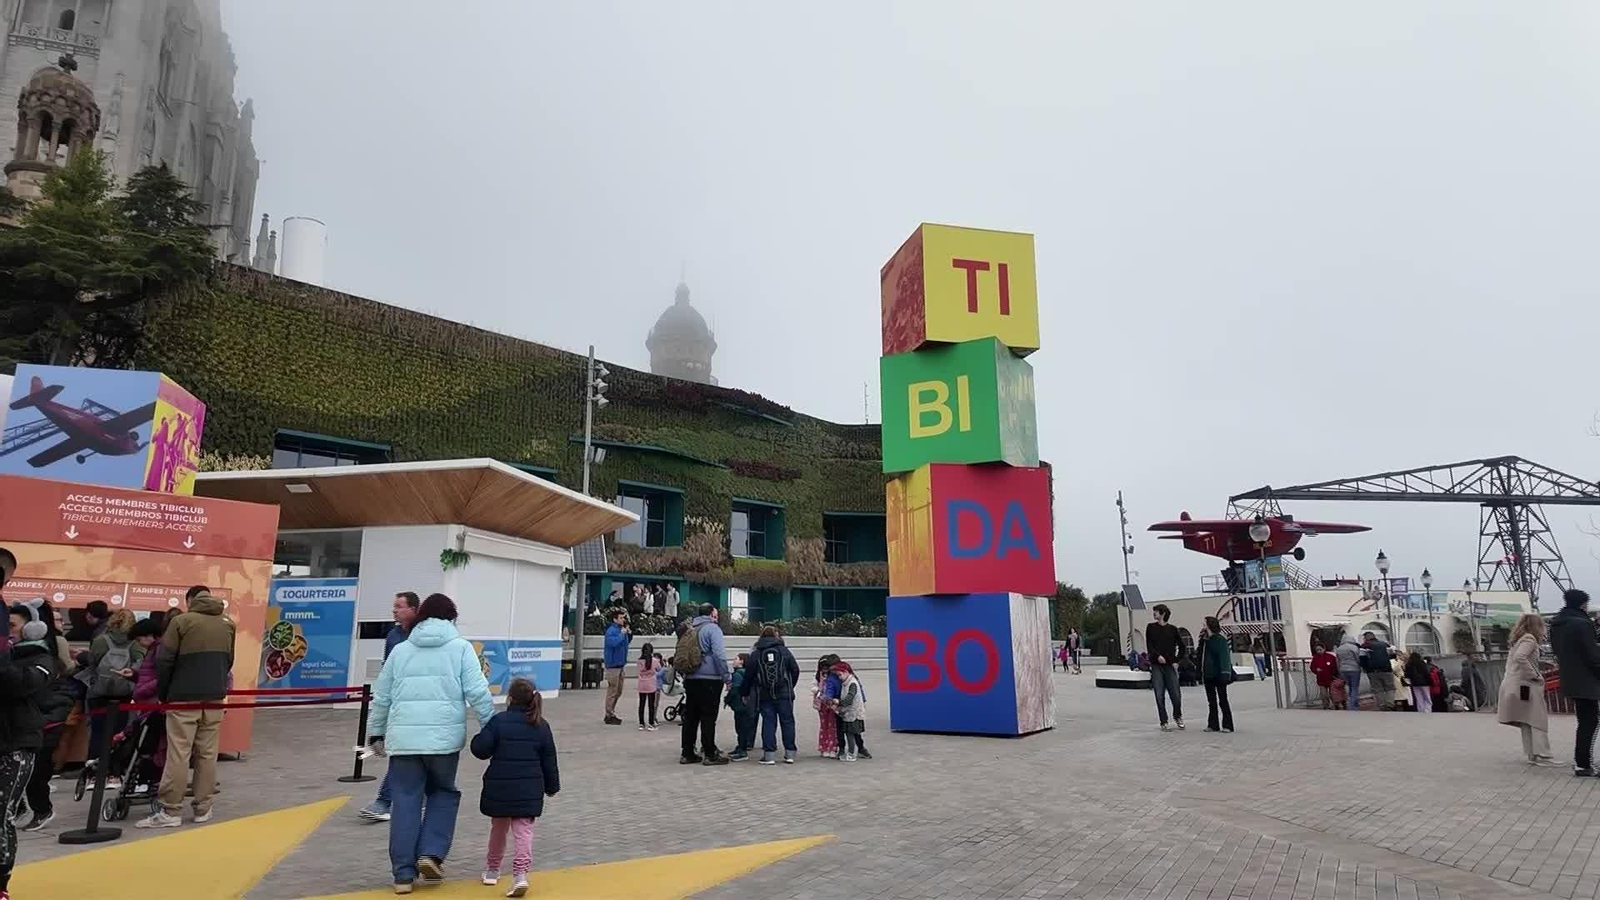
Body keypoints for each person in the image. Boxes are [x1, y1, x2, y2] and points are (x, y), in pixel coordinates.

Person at [366, 593, 496, 894]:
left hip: (405, 742)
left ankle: (402, 875)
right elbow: (478, 693)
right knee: (443, 793)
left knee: (405, 801)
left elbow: (382, 697)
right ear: (451, 618)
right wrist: (491, 728)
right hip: (443, 743)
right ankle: (430, 853)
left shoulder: (401, 650)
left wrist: (376, 734)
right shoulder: (461, 648)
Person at [137, 586, 235, 830]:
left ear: (190, 601)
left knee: (178, 753)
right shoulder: (227, 623)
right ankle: (204, 808)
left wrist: (164, 694)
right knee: (207, 753)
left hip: (183, 697)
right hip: (214, 697)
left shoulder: (181, 622)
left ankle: (171, 810)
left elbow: (164, 660)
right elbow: (229, 660)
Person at [470, 678, 559, 899]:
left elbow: (481, 750)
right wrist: (552, 786)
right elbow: (550, 760)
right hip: (529, 789)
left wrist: (477, 738)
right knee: (523, 831)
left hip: (500, 787)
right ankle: (520, 874)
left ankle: (492, 870)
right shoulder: (541, 725)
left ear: (510, 698)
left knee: (498, 828)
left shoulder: (499, 721)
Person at [0, 610, 49, 900]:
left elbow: (19, 683)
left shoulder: (39, 660)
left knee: (1, 814)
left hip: (15, 744)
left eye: (12, 626)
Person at [360, 592, 421, 822]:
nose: (394, 610)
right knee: (405, 754)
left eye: (399, 606)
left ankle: (385, 801)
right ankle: (394, 800)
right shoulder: (393, 636)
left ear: (414, 609)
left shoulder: (423, 635)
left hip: (420, 705)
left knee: (405, 755)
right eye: (393, 606)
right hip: (399, 705)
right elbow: (387, 672)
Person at [8, 614, 71, 833]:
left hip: (43, 723)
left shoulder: (43, 656)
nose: (7, 629)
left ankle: (41, 809)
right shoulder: (12, 653)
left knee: (36, 773)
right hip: (22, 726)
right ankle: (22, 806)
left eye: (12, 625)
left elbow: (48, 688)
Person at [1499, 613, 1560, 767]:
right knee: (1537, 718)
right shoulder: (1530, 639)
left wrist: (1540, 663)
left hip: (1516, 684)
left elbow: (1521, 657)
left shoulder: (1519, 639)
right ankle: (1543, 755)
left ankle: (1532, 755)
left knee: (1528, 719)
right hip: (1526, 684)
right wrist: (1534, 675)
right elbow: (1520, 657)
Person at [1550, 589, 1600, 777]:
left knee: (1585, 720)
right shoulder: (1582, 623)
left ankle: (1582, 763)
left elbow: (1559, 650)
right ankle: (1583, 764)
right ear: (1582, 604)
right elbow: (1592, 655)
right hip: (1588, 679)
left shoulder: (1556, 624)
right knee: (1591, 721)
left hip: (1570, 677)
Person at [676, 603, 731, 766]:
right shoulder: (713, 629)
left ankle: (687, 752)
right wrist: (726, 677)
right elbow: (719, 655)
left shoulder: (690, 628)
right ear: (711, 614)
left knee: (691, 717)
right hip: (710, 679)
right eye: (716, 614)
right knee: (708, 717)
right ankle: (709, 753)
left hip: (691, 677)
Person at [86, 608, 141, 763]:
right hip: (124, 693)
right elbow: (141, 663)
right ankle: (113, 770)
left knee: (97, 731)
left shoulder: (100, 640)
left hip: (99, 692)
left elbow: (92, 663)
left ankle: (94, 769)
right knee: (119, 731)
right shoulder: (135, 643)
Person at [741, 626, 800, 765]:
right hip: (784, 693)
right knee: (787, 721)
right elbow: (795, 670)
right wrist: (790, 686)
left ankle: (769, 755)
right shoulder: (784, 650)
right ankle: (789, 753)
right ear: (776, 635)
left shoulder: (757, 653)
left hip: (764, 693)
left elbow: (748, 675)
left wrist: (745, 693)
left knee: (768, 722)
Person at [1145, 604, 1184, 731]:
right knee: (1159, 694)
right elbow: (1150, 646)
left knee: (1176, 694)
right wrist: (1157, 656)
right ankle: (1163, 721)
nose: (1154, 614)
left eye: (1156, 612)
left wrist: (1177, 661)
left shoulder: (1173, 629)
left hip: (1169, 665)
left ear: (1162, 613)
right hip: (1157, 665)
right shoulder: (1150, 627)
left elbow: (1182, 647)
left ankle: (1177, 715)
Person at [1198, 617, 1234, 733]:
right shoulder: (1204, 640)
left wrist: (1225, 673)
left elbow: (1224, 657)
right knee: (1211, 701)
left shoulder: (1220, 639)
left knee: (1223, 700)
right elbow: (1200, 657)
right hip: (1208, 674)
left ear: (1209, 625)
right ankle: (1213, 724)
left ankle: (1228, 725)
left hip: (1218, 674)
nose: (1202, 624)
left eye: (1204, 623)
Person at [829, 659, 869, 761]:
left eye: (839, 675)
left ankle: (851, 754)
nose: (839, 678)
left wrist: (838, 702)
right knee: (852, 733)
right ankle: (855, 751)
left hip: (853, 714)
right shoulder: (846, 682)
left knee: (850, 734)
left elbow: (849, 698)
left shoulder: (852, 683)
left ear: (846, 672)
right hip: (848, 713)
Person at [602, 610, 630, 726]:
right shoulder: (611, 631)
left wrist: (628, 633)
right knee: (612, 691)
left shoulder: (620, 630)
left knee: (618, 691)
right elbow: (613, 643)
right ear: (615, 619)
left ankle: (611, 711)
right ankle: (609, 714)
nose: (623, 619)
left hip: (620, 664)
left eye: (624, 618)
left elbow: (625, 643)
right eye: (621, 618)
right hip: (613, 665)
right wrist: (622, 634)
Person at [726, 653, 755, 760]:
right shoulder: (747, 673)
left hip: (740, 705)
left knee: (740, 728)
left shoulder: (738, 674)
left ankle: (742, 750)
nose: (733, 661)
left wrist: (727, 699)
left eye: (736, 659)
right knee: (743, 727)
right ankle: (740, 747)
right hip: (746, 705)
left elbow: (735, 690)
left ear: (742, 661)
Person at [813, 655, 840, 759]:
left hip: (831, 703)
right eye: (822, 667)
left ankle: (832, 747)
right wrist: (815, 689)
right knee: (824, 726)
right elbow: (814, 684)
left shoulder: (833, 676)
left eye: (826, 667)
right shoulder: (818, 676)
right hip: (821, 704)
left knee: (832, 726)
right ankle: (823, 747)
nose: (824, 669)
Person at [1361, 632, 1396, 710]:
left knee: (1377, 688)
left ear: (1366, 637)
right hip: (1387, 670)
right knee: (1390, 687)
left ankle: (1382, 705)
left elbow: (1362, 659)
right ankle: (1390, 704)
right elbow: (1393, 655)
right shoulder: (1385, 644)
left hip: (1372, 671)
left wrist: (1365, 669)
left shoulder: (1364, 646)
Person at [1335, 633, 1363, 710]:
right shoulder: (1354, 648)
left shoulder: (1339, 648)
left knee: (1348, 687)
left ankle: (1351, 703)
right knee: (1354, 687)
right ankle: (1352, 705)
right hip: (1354, 669)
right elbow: (1357, 658)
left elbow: (1337, 660)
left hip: (1343, 670)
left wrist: (1339, 670)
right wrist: (1360, 666)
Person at [636, 642, 660, 731]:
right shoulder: (655, 661)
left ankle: (641, 723)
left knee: (641, 704)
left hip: (642, 684)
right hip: (651, 685)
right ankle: (651, 723)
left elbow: (638, 671)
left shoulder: (639, 661)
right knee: (651, 705)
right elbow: (659, 669)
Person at [1309, 643, 1339, 710]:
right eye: (1317, 650)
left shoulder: (1330, 657)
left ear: (1324, 649)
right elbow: (1312, 667)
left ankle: (1335, 705)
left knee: (1332, 693)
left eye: (1320, 649)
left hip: (1331, 678)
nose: (1319, 651)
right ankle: (1326, 706)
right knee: (1323, 694)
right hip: (1321, 679)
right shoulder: (1315, 658)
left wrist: (1336, 675)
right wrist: (1316, 670)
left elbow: (1335, 667)